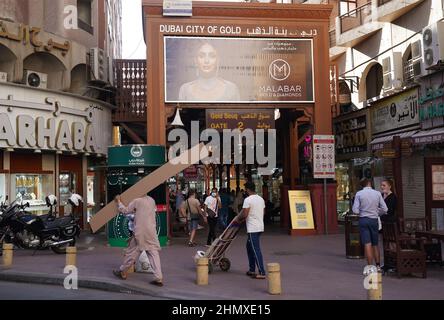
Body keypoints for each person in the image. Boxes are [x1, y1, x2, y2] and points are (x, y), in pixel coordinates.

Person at [112, 195, 164, 287]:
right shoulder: (152, 200)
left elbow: (125, 211)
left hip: (140, 233)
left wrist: (119, 201)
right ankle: (158, 278)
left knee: (132, 253)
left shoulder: (136, 201)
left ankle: (122, 271)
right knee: (153, 254)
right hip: (151, 231)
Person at [352, 178, 388, 274]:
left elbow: (355, 210)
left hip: (363, 220)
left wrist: (362, 211)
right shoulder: (377, 193)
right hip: (374, 220)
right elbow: (385, 209)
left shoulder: (359, 194)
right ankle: (378, 266)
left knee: (367, 243)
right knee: (375, 244)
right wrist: (377, 213)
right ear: (370, 183)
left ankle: (369, 267)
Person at [235, 182, 266, 279]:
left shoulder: (248, 200)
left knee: (255, 249)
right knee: (249, 247)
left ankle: (262, 272)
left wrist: (237, 219)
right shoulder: (261, 199)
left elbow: (244, 214)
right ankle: (252, 269)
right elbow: (263, 212)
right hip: (260, 226)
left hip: (253, 228)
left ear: (248, 190)